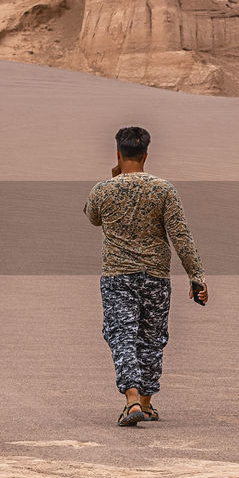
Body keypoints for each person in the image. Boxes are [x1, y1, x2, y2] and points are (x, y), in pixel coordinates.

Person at [85, 126, 207, 427]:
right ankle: (148, 403)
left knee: (122, 335)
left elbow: (92, 216)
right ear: (146, 154)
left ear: (118, 153)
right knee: (152, 337)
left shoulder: (103, 190)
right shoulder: (163, 190)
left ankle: (133, 399)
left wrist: (115, 178)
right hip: (156, 276)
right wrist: (196, 276)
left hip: (117, 276)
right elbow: (181, 236)